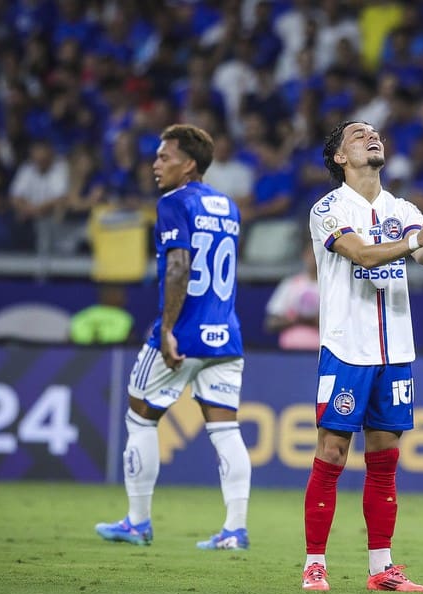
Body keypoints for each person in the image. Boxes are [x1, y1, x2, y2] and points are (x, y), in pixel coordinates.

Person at [301, 120, 423, 593]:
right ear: (340, 158)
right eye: (357, 135)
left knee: (384, 457)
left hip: (395, 351)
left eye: (376, 133)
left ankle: (381, 568)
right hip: (347, 347)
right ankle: (315, 564)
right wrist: (416, 240)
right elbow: (363, 255)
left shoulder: (401, 207)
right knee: (332, 452)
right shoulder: (327, 209)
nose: (372, 137)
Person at [95, 124, 252, 551]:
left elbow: (180, 266)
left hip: (183, 334)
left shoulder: (172, 204)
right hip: (226, 336)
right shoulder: (230, 206)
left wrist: (166, 328)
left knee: (140, 416)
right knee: (226, 430)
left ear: (189, 164)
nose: (155, 164)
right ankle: (235, 529)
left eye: (165, 157)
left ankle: (137, 522)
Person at [264, 239, 320, 351]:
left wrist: (316, 321)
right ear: (305, 255)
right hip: (289, 351)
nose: (314, 259)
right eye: (311, 254)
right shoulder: (290, 284)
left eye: (318, 254)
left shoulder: (331, 288)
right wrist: (294, 320)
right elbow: (271, 323)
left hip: (319, 351)